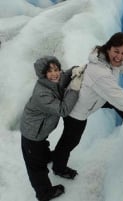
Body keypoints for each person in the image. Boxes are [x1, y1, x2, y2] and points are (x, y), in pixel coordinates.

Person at [51, 32, 123, 179]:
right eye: (116, 51)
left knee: (113, 102)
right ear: (108, 48)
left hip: (93, 98)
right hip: (76, 111)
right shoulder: (100, 72)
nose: (119, 56)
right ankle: (58, 167)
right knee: (70, 141)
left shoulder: (107, 60)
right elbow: (119, 98)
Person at [20, 56, 84, 201]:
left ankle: (46, 157)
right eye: (49, 71)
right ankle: (44, 193)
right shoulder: (42, 93)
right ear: (42, 75)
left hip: (40, 132)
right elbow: (63, 110)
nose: (54, 74)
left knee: (42, 148)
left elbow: (64, 76)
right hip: (32, 134)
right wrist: (74, 89)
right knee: (36, 167)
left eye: (56, 69)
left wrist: (74, 69)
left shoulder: (53, 81)